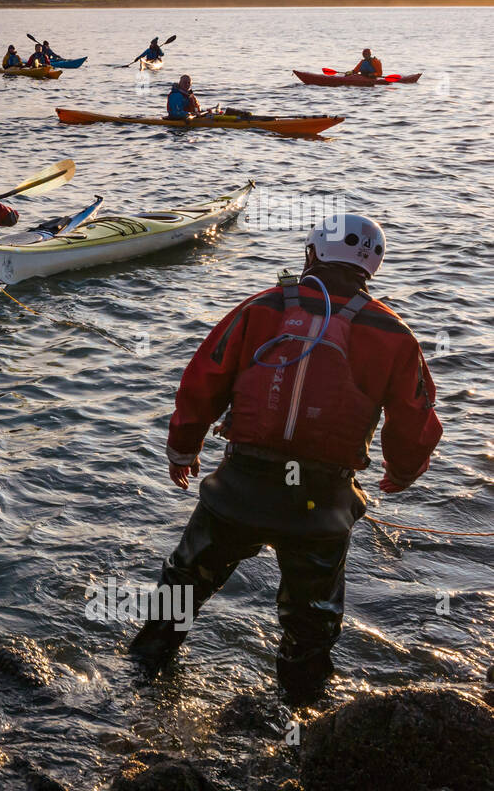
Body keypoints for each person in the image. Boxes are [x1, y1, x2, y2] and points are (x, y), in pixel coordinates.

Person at [129, 214, 443, 697]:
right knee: (311, 625)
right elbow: (414, 419)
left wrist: (183, 448)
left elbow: (202, 380)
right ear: (372, 268)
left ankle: (137, 686)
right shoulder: (393, 332)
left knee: (183, 588)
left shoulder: (261, 308)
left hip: (239, 490)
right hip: (321, 504)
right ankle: (301, 723)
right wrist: (402, 471)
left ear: (312, 254)